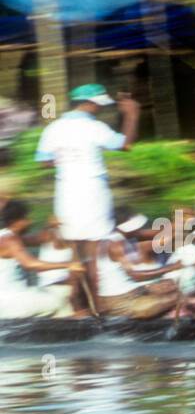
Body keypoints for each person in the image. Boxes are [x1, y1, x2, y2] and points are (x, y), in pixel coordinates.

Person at [34, 85, 140, 315]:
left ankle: (77, 308)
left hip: (65, 196)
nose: (101, 108)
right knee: (93, 257)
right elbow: (125, 144)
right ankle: (96, 310)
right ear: (90, 103)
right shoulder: (94, 127)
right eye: (99, 104)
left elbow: (43, 161)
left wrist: (71, 162)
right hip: (92, 195)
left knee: (75, 255)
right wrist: (132, 115)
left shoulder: (53, 128)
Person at [0, 199, 81, 318]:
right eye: (26, 218)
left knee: (53, 294)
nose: (30, 221)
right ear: (15, 222)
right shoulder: (10, 240)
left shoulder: (7, 236)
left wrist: (50, 225)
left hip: (10, 299)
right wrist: (69, 264)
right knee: (59, 301)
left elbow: (40, 238)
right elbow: (30, 264)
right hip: (11, 301)